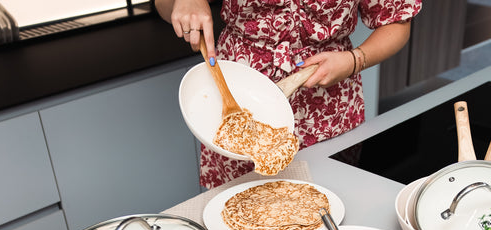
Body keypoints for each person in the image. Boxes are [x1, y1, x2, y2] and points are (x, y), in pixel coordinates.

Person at [154, 0, 422, 189]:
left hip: (329, 105)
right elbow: (165, 6)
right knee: (239, 213)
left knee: (325, 209)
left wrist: (354, 60)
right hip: (239, 100)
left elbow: (397, 20)